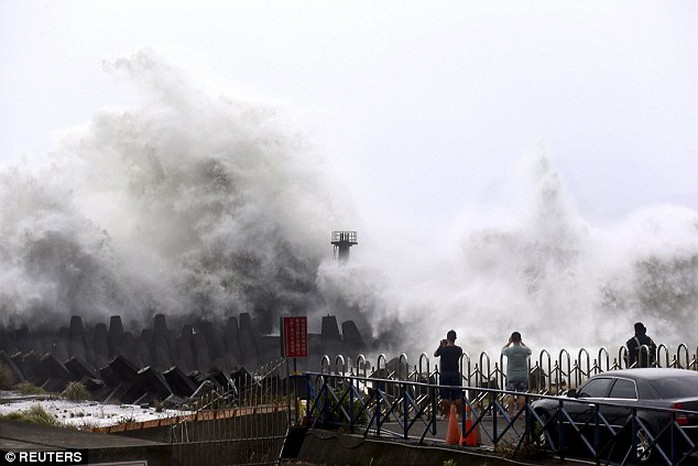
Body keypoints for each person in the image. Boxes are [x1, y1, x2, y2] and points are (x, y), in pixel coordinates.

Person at [434, 329, 463, 418]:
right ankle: (460, 414)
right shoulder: (458, 349)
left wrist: (441, 346)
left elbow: (435, 354)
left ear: (447, 338)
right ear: (455, 338)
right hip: (455, 373)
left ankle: (447, 415)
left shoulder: (443, 350)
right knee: (458, 395)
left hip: (445, 374)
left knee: (445, 396)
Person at [502, 331, 532, 415]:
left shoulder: (509, 350)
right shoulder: (524, 350)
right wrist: (522, 343)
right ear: (520, 339)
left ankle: (511, 413)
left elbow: (503, 350)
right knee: (521, 394)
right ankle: (521, 413)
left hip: (511, 376)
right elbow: (529, 351)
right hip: (522, 376)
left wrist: (509, 342)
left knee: (510, 394)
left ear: (512, 339)